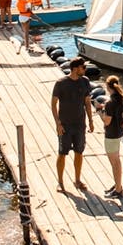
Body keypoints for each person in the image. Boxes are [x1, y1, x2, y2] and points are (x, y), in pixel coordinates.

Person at [51, 57, 95, 192]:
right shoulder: (61, 83)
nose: (85, 70)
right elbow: (53, 104)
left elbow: (87, 102)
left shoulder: (85, 82)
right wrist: (58, 123)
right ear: (76, 68)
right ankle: (60, 182)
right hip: (65, 124)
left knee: (79, 152)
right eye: (83, 67)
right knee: (62, 153)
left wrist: (91, 121)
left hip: (80, 124)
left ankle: (77, 180)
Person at [101, 75, 123, 199]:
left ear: (107, 86)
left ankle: (118, 190)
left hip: (111, 134)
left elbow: (107, 121)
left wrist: (100, 112)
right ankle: (118, 185)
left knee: (114, 162)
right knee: (117, 161)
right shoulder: (121, 99)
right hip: (119, 132)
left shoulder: (110, 103)